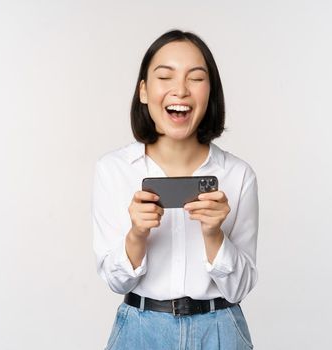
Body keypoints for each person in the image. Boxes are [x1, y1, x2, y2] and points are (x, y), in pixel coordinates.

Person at [92, 29, 259, 349]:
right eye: (165, 76)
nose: (180, 90)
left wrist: (214, 234)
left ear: (210, 91)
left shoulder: (238, 176)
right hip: (140, 331)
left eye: (196, 78)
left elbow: (238, 289)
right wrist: (137, 234)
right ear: (143, 90)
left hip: (220, 331)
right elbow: (116, 281)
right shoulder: (112, 170)